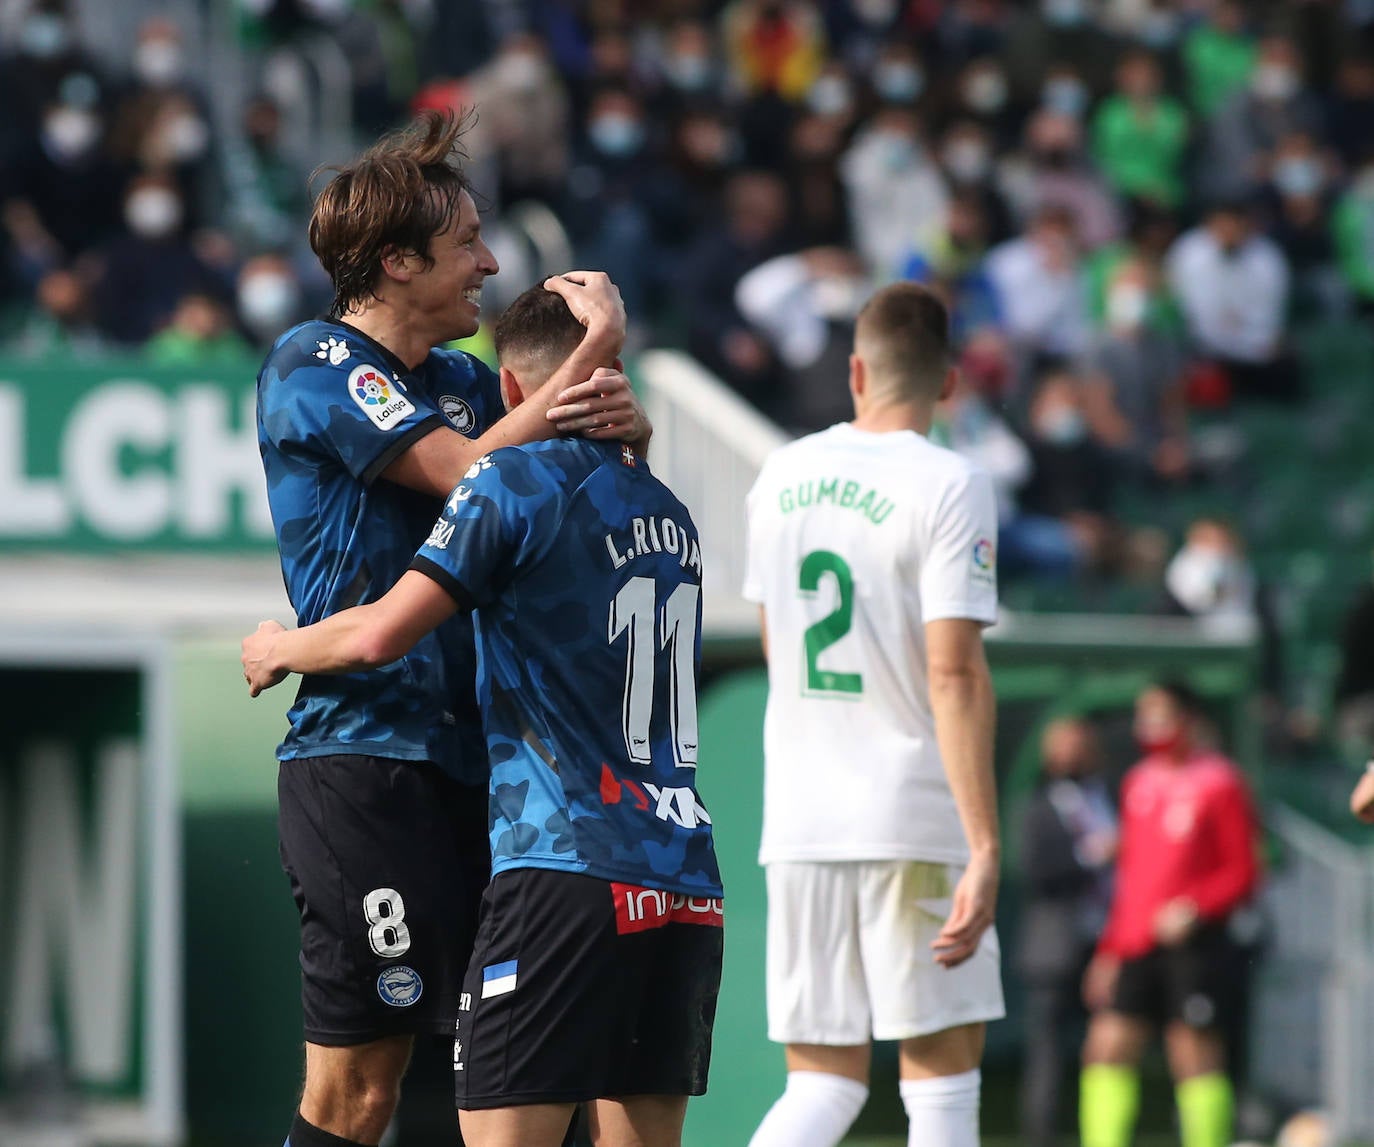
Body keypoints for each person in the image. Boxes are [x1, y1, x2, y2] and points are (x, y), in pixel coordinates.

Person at [244, 283, 723, 1147]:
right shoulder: (670, 511)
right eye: (468, 241)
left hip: (560, 859)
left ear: (512, 393)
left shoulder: (513, 482)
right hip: (682, 873)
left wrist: (284, 647)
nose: (487, 259)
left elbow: (383, 630)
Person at [742, 282, 1004, 1147]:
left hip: (803, 818)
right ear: (950, 384)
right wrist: (985, 842)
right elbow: (954, 671)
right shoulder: (953, 481)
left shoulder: (782, 471)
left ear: (855, 370)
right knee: (940, 1084)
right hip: (913, 815)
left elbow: (780, 643)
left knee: (821, 1084)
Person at [1079, 681, 1262, 1147]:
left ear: (1190, 719)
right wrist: (1110, 949)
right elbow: (1131, 880)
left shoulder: (1220, 782)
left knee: (1194, 1055)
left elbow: (1243, 872)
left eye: (1161, 714)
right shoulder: (1138, 782)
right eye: (1144, 715)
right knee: (1106, 1049)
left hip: (1194, 947)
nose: (1151, 725)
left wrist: (1195, 907)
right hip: (1136, 945)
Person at [1017, 718, 1117, 1147]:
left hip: (1110, 943)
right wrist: (1093, 856)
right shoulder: (1036, 806)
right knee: (1049, 1053)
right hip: (1055, 947)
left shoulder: (1109, 797)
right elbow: (1035, 869)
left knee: (1109, 1049)